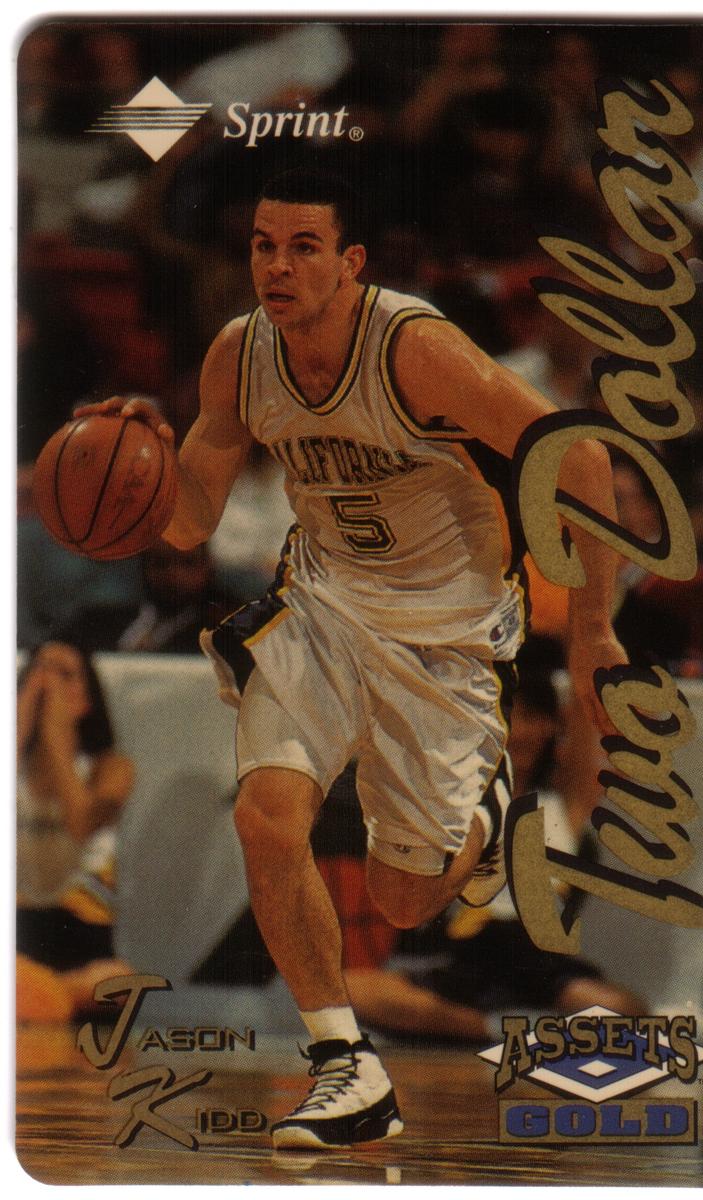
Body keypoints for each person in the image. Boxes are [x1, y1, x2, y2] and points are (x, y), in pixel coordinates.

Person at [75, 168, 626, 1149]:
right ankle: (347, 1066)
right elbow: (190, 520)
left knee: (400, 898)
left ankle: (486, 809)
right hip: (321, 605)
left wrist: (589, 629)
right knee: (265, 814)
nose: (277, 267)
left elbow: (576, 456)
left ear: (351, 262)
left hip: (445, 632)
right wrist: (135, 474)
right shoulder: (240, 353)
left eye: (303, 248)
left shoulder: (411, 348)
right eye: (262, 246)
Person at [16, 641, 134, 1008]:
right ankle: (41, 995)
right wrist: (20, 719)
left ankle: (40, 994)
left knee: (117, 984)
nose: (48, 685)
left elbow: (82, 824)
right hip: (17, 924)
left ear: (86, 699)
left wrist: (56, 736)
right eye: (39, 671)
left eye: (64, 675)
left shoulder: (111, 768)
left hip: (80, 935)